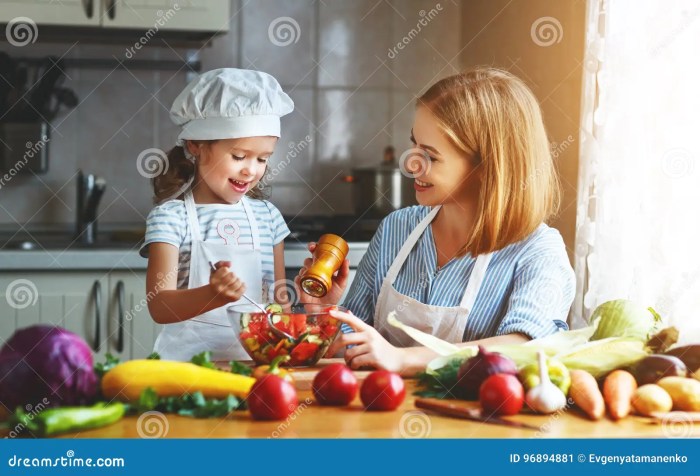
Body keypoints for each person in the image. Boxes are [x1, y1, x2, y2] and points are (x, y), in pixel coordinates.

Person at [296, 67, 575, 376]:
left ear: (486, 165)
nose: (411, 163)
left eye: (431, 155)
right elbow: (352, 345)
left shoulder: (537, 250)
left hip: (476, 423)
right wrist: (322, 311)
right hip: (379, 418)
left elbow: (527, 349)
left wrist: (403, 359)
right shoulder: (396, 229)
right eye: (414, 144)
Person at [140, 68, 294, 361]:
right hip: (187, 373)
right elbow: (159, 306)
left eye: (262, 159)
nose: (251, 170)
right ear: (196, 145)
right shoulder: (171, 219)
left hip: (256, 370)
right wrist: (212, 295)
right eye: (239, 156)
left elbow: (278, 305)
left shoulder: (268, 218)